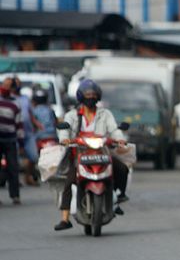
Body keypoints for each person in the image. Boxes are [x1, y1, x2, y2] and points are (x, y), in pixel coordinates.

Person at [56, 79, 128, 231]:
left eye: (93, 95)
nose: (91, 97)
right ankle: (64, 218)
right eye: (88, 95)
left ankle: (118, 197)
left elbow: (114, 129)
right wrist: (65, 140)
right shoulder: (72, 115)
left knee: (122, 169)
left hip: (102, 153)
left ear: (98, 96)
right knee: (69, 182)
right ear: (81, 97)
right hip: (79, 155)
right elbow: (64, 131)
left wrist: (120, 139)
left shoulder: (105, 114)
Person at [0, 77, 24, 205]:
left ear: (12, 88)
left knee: (13, 168)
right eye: (4, 84)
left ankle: (15, 195)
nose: (5, 87)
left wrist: (21, 143)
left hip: (10, 139)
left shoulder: (16, 103)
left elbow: (19, 124)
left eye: (8, 85)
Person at [12, 80, 39, 186]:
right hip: (15, 134)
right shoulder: (8, 99)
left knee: (33, 156)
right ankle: (15, 180)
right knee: (14, 159)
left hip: (28, 133)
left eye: (19, 84)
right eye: (15, 85)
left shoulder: (25, 99)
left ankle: (27, 177)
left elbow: (30, 114)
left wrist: (37, 124)